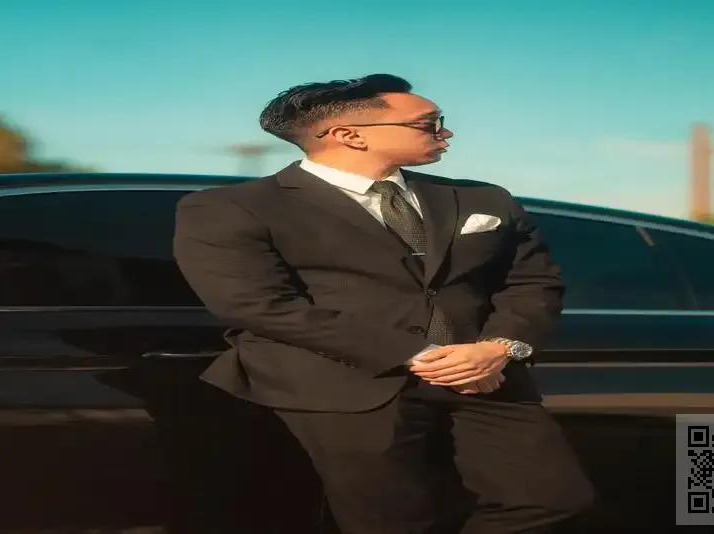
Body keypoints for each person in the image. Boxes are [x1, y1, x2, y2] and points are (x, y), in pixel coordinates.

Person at [172, 73, 594, 534]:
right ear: (349, 135)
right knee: (392, 523)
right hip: (342, 387)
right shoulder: (233, 207)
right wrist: (416, 353)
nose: (446, 132)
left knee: (553, 498)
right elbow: (257, 305)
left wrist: (500, 346)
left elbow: (532, 281)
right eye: (428, 123)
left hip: (482, 375)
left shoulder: (483, 197)